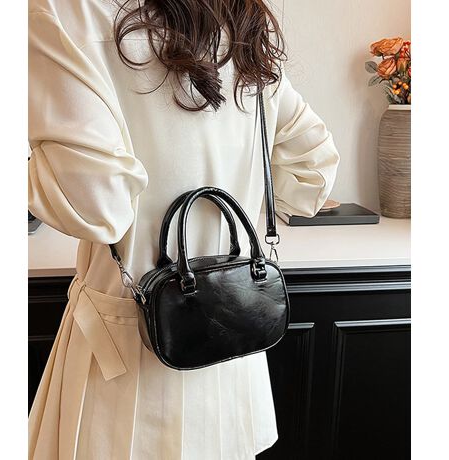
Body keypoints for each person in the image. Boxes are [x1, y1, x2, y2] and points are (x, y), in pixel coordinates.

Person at [28, 0, 340, 458]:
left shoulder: (64, 11)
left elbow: (97, 206)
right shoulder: (240, 17)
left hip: (123, 366)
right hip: (231, 359)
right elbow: (312, 172)